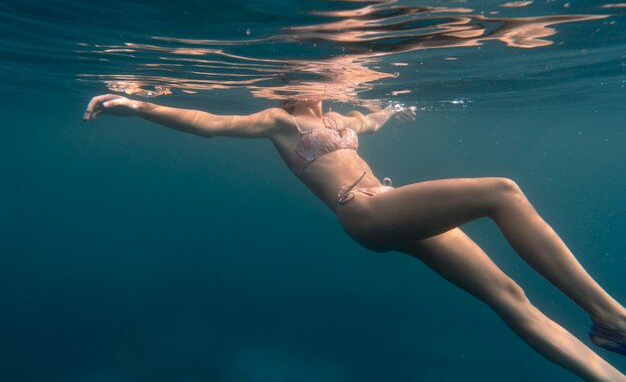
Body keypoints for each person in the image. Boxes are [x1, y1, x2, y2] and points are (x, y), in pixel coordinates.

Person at [84, 94, 626, 381]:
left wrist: (393, 110)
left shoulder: (340, 114)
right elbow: (208, 121)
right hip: (364, 214)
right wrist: (138, 107)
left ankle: (605, 372)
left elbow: (370, 119)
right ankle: (612, 317)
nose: (309, 83)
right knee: (501, 192)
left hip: (390, 203)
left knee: (508, 296)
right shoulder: (277, 120)